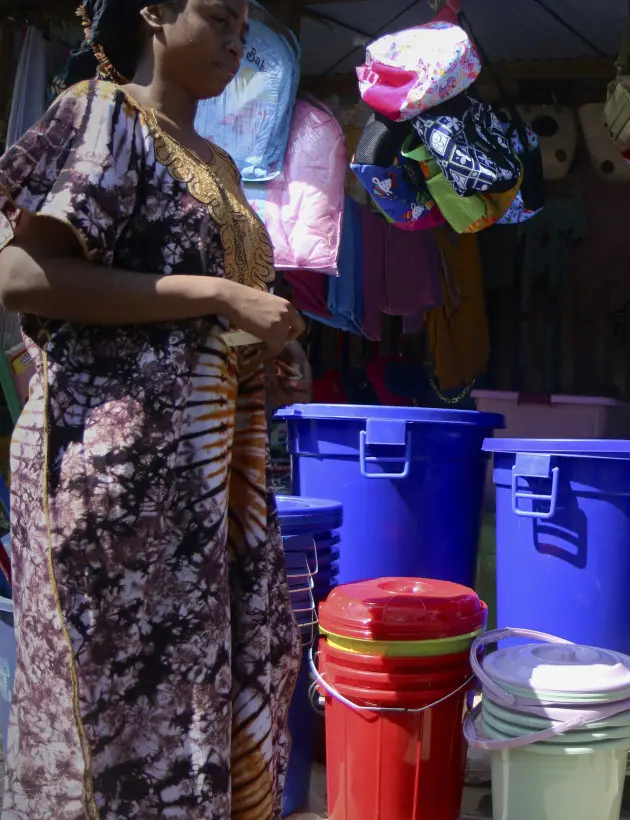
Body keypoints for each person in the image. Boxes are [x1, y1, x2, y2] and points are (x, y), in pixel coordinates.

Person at [0, 0, 313, 815]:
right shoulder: (103, 115)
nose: (236, 39)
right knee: (123, 722)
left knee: (207, 705)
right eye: (219, 16)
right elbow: (22, 276)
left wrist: (265, 350)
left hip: (207, 489)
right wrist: (217, 295)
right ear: (154, 10)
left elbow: (199, 321)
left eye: (245, 27)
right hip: (115, 486)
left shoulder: (219, 161)